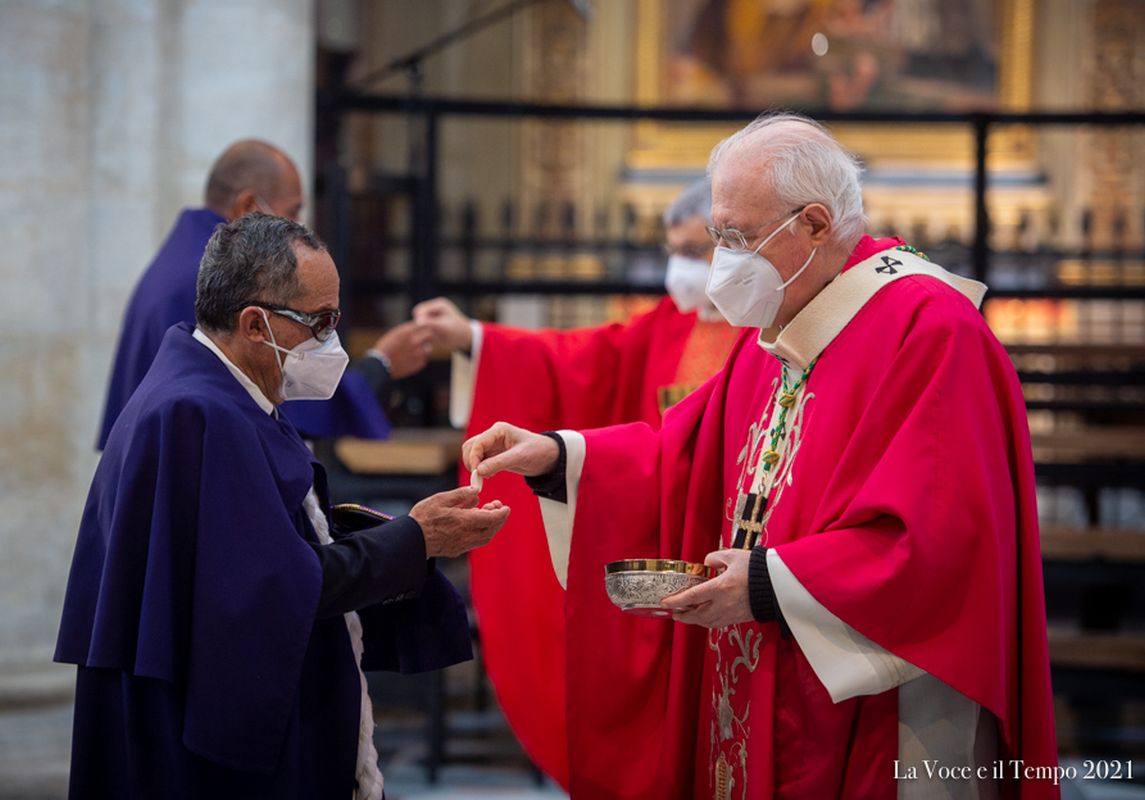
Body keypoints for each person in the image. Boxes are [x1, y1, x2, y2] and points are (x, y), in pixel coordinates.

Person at [462, 114, 1058, 798]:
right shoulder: (779, 321)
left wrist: (772, 583)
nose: (722, 259)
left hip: (877, 706)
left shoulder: (930, 330)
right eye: (718, 235)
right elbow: (685, 453)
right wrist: (559, 456)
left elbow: (943, 539)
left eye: (736, 237)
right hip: (757, 672)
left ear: (813, 224)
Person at [56, 214, 511, 799]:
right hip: (192, 747)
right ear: (253, 323)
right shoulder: (199, 414)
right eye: (320, 322)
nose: (332, 342)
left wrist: (394, 534)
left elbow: (266, 548)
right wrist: (417, 538)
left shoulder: (220, 392)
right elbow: (274, 586)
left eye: (336, 320)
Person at [412, 178, 738, 786]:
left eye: (695, 252)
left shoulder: (768, 332)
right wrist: (476, 340)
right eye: (674, 252)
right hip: (664, 533)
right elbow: (576, 359)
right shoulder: (671, 323)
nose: (682, 270)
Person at [97, 138, 431, 449]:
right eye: (292, 211)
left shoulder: (184, 257)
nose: (300, 227)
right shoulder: (213, 275)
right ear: (247, 205)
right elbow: (274, 393)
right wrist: (380, 366)